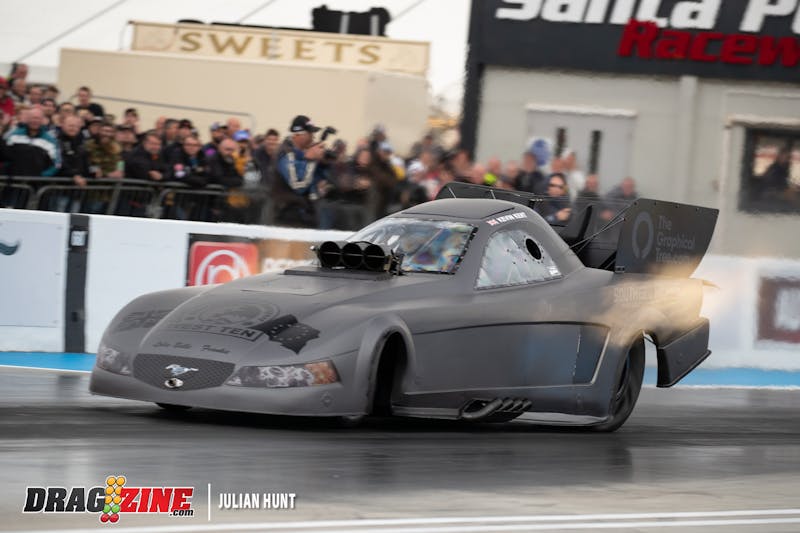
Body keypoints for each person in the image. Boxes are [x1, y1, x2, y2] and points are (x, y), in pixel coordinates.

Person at [273, 115, 328, 228]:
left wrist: (324, 165)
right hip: (287, 218)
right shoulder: (285, 153)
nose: (313, 137)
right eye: (310, 133)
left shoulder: (303, 153)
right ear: (298, 134)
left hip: (306, 216)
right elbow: (298, 186)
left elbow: (315, 185)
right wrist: (311, 159)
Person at [2, 106, 60, 176]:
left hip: (37, 181)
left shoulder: (51, 141)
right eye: (32, 118)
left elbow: (56, 164)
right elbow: (4, 156)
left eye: (37, 118)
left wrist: (43, 176)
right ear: (27, 119)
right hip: (14, 179)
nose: (35, 121)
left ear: (42, 120)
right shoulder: (13, 135)